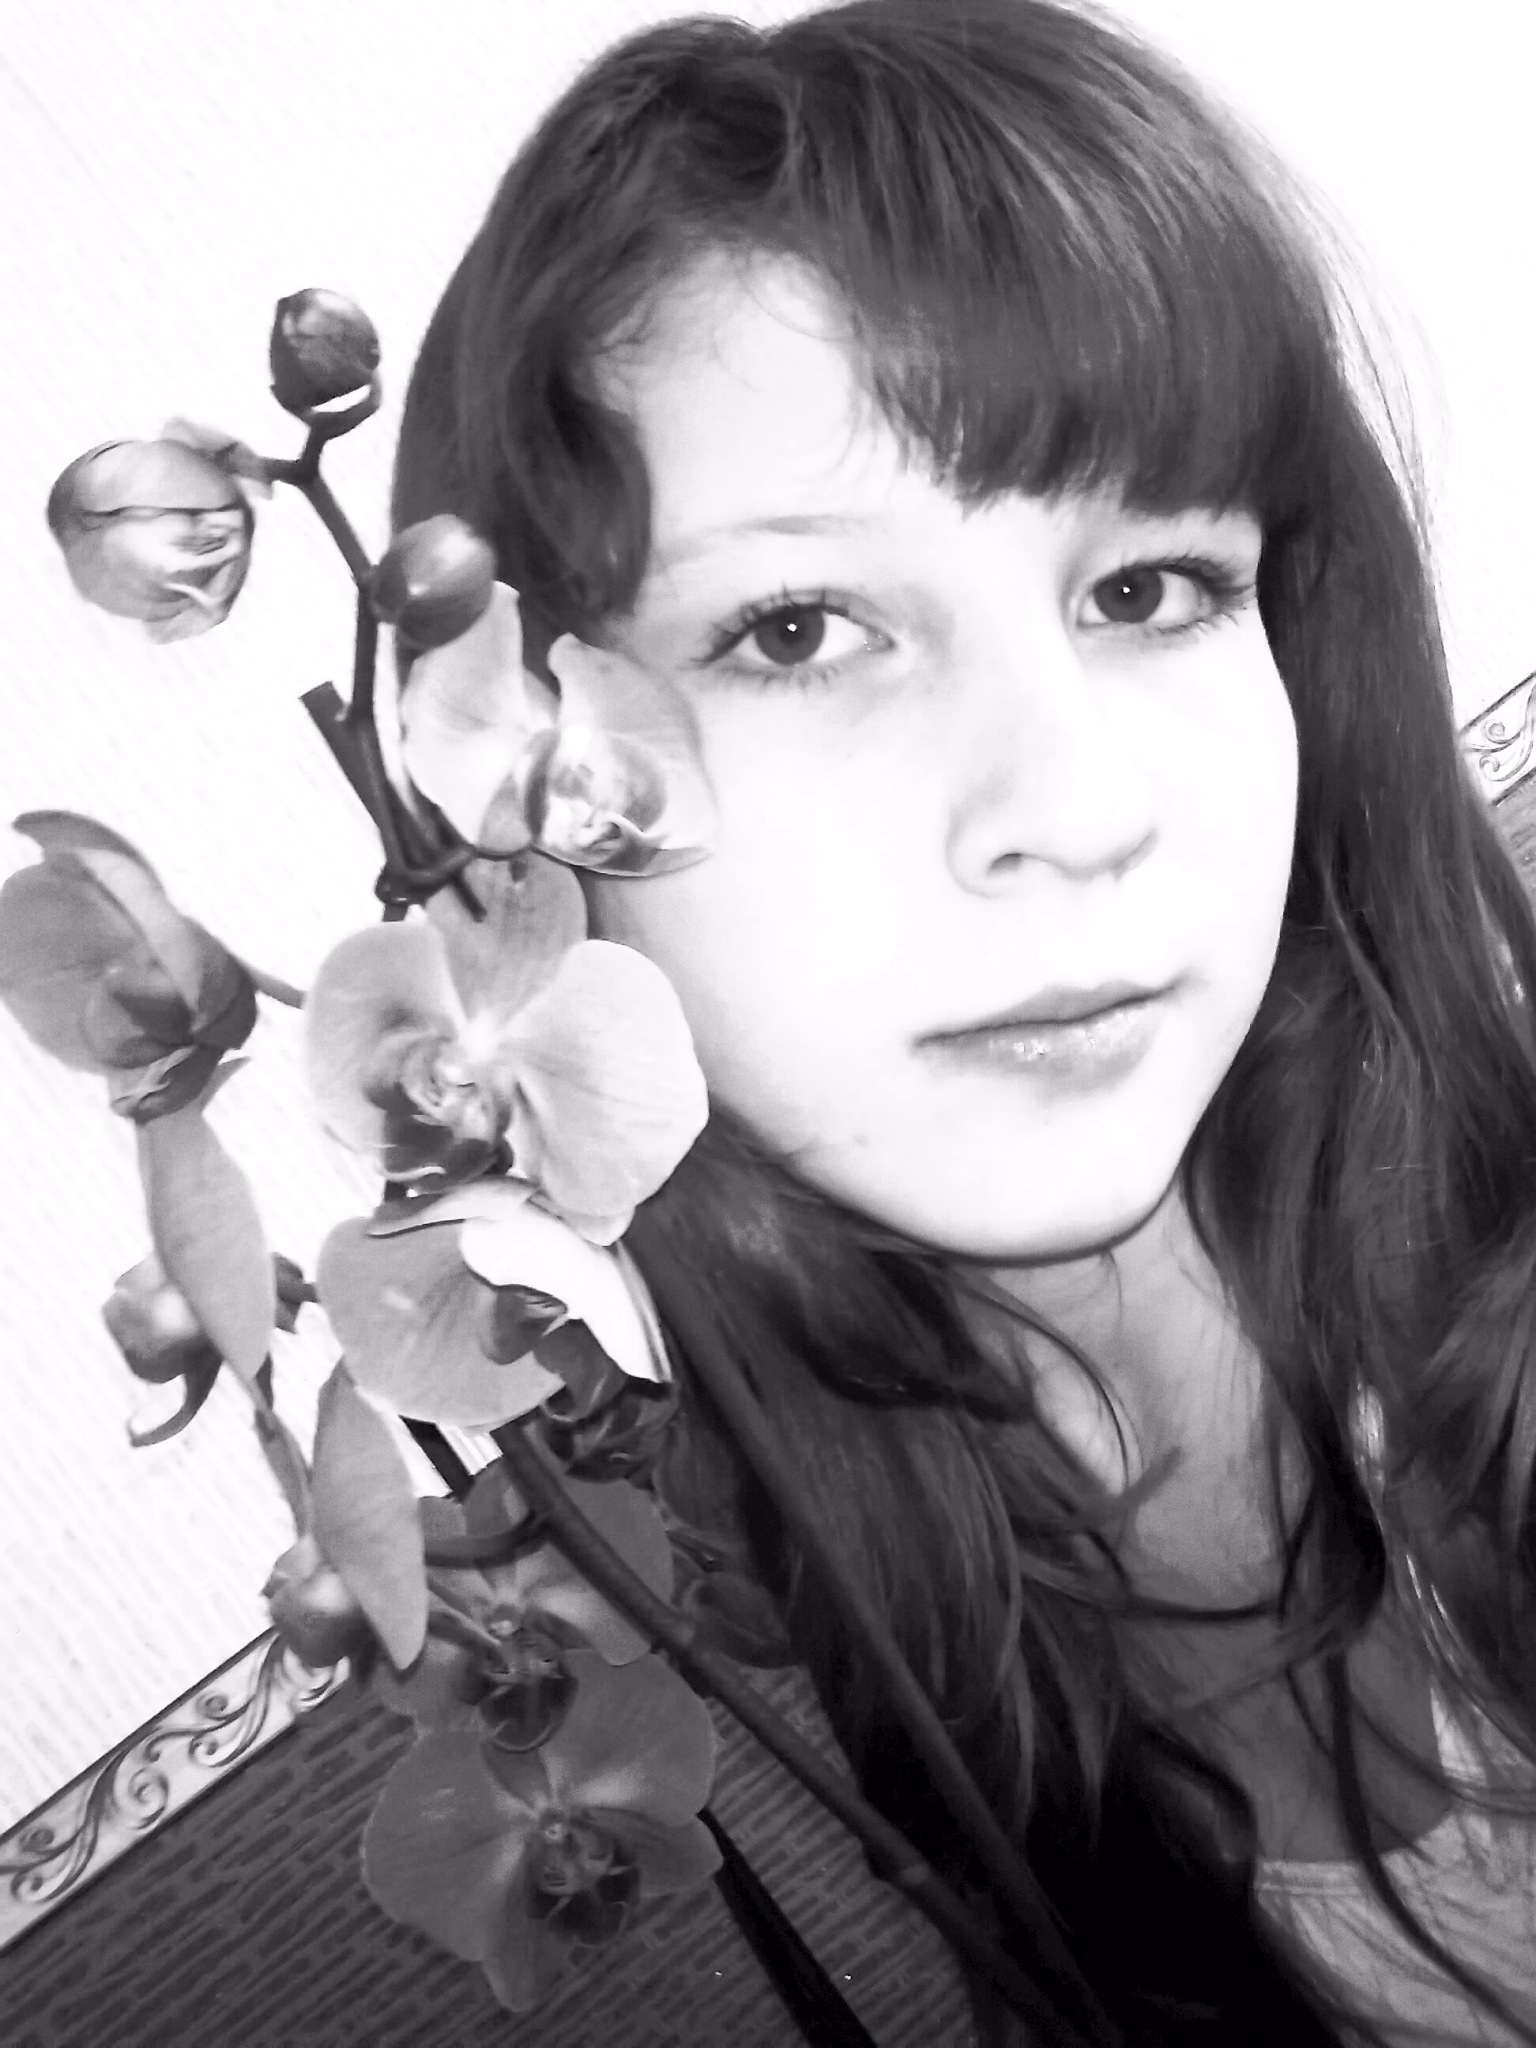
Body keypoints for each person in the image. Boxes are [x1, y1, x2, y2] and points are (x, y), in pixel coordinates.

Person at [390, 1, 1536, 2039]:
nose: (1076, 807)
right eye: (797, 629)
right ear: (516, 810)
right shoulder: (803, 1569)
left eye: (1151, 587)